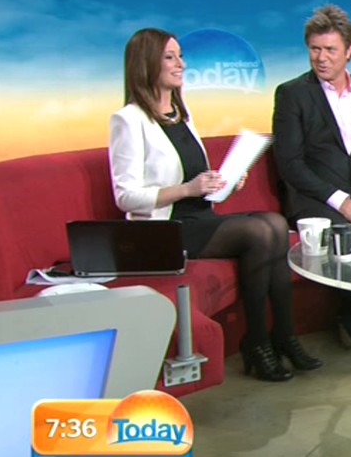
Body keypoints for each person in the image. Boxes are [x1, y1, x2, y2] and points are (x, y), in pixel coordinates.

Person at [109, 28, 322, 382]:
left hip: (199, 216)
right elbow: (126, 196)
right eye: (170, 57)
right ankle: (257, 342)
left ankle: (284, 336)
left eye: (180, 56)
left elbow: (195, 178)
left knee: (274, 223)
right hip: (165, 231)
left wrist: (223, 182)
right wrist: (187, 188)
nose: (181, 64)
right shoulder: (128, 120)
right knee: (258, 232)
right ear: (146, 63)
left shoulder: (180, 113)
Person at [272, 4, 351, 348]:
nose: (321, 58)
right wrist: (343, 202)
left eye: (330, 49)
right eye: (315, 49)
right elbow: (290, 163)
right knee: (348, 234)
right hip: (317, 197)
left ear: (349, 51)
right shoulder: (292, 93)